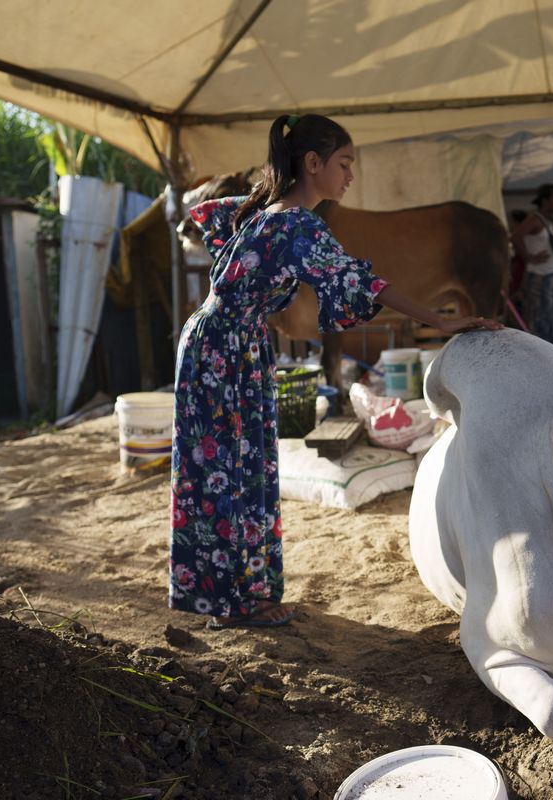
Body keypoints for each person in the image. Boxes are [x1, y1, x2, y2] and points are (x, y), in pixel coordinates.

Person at [170, 113, 500, 630]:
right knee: (229, 469)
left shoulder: (264, 209)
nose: (350, 176)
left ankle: (235, 596)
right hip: (226, 349)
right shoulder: (296, 222)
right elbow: (360, 281)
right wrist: (438, 317)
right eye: (344, 164)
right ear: (313, 163)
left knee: (239, 467)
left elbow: (207, 216)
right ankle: (236, 602)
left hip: (224, 342)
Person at [510, 184, 553, 341]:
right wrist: (530, 257)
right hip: (542, 278)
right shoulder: (535, 219)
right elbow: (516, 237)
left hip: (551, 277)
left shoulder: (546, 222)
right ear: (545, 200)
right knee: (541, 322)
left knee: (552, 323)